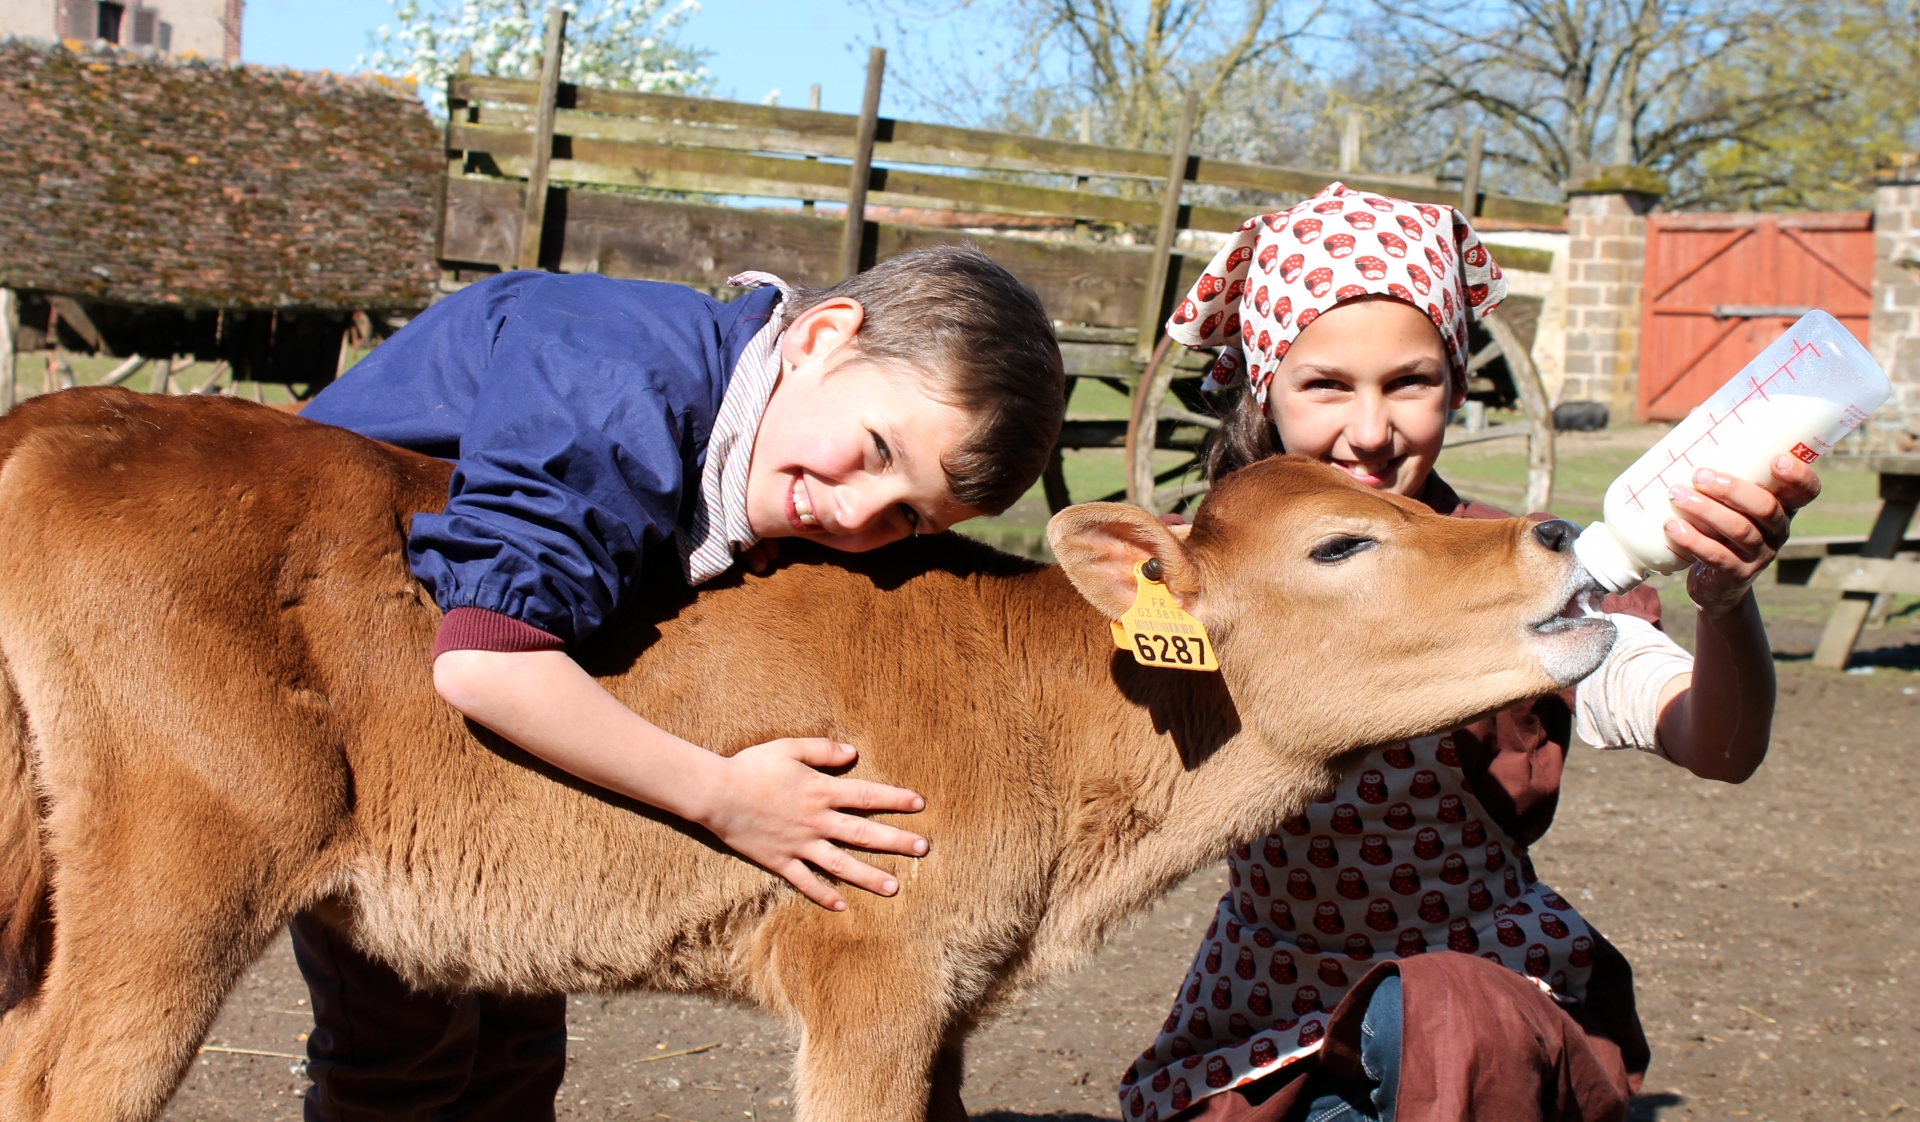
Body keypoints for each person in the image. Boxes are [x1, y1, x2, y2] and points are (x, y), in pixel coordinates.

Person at [294, 245, 1066, 1121]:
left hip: (466, 750)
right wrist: (724, 795)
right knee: (407, 1055)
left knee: (515, 1043)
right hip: (347, 723)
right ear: (820, 337)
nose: (855, 514)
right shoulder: (621, 395)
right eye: (875, 449)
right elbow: (485, 657)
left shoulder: (747, 419)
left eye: (905, 518)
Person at [1117, 185, 1819, 1122]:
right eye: (1326, 384)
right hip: (1266, 1004)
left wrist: (1726, 602)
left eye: (1411, 382)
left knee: (1440, 1011)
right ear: (1264, 386)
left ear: (1454, 382)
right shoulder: (1192, 585)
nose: (1371, 432)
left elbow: (1719, 745)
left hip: (1485, 1010)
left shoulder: (1527, 567)